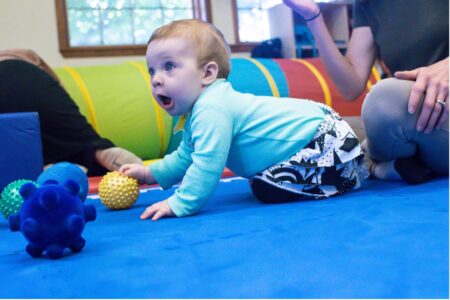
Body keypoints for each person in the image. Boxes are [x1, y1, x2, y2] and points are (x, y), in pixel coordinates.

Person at [119, 19, 368, 221]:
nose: (156, 79)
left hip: (323, 142)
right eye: (152, 70)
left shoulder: (212, 107)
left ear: (207, 73)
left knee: (266, 188)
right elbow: (186, 156)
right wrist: (149, 173)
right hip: (320, 135)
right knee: (264, 185)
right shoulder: (197, 111)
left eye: (169, 66)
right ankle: (367, 164)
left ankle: (364, 165)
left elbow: (207, 163)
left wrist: (181, 202)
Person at [282, 0, 449, 184]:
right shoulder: (368, 4)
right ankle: (384, 163)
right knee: (318, 127)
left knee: (384, 102)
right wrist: (313, 17)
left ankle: (371, 164)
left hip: (432, 113)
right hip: (414, 118)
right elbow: (350, 87)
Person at [0, 49, 143, 176]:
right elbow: (59, 88)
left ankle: (49, 168)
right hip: (32, 76)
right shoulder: (27, 56)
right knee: (85, 145)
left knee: (21, 151)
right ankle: (101, 152)